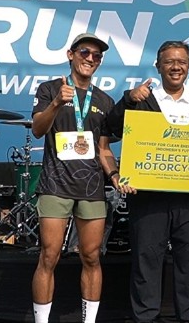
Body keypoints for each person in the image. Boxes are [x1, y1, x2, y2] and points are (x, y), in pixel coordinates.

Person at [107, 41, 189, 323]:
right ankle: (145, 318)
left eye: (182, 62)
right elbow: (111, 127)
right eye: (169, 62)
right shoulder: (141, 99)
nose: (176, 67)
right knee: (145, 263)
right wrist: (128, 99)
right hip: (149, 199)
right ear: (158, 66)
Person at [30, 33, 121, 323]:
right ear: (71, 54)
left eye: (97, 56)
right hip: (56, 183)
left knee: (92, 257)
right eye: (85, 52)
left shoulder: (104, 100)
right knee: (49, 256)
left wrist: (115, 175)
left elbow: (103, 149)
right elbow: (38, 130)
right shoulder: (49, 89)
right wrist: (57, 103)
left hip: (92, 187)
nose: (90, 59)